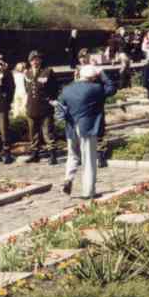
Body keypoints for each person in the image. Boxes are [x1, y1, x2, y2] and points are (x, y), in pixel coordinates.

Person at [57, 65, 116, 199]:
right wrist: (102, 73)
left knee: (72, 155)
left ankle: (68, 178)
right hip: (88, 127)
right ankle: (88, 191)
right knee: (89, 159)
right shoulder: (95, 89)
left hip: (71, 127)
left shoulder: (67, 89)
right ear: (93, 77)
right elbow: (112, 88)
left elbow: (60, 106)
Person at [24, 51, 59, 165]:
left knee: (47, 132)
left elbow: (55, 88)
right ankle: (35, 154)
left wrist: (51, 100)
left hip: (45, 107)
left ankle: (52, 154)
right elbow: (27, 89)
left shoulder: (47, 72)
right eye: (33, 59)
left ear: (41, 60)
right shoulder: (27, 73)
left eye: (37, 59)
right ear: (29, 61)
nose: (35, 61)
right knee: (33, 133)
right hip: (32, 106)